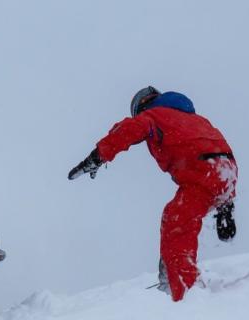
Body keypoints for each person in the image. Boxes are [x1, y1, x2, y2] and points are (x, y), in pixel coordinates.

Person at [68, 87, 238, 301]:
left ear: (141, 107)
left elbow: (129, 130)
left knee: (175, 222)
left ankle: (184, 292)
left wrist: (97, 157)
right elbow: (215, 150)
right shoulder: (197, 120)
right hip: (226, 172)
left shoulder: (154, 116)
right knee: (178, 216)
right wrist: (226, 204)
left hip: (201, 172)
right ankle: (172, 280)